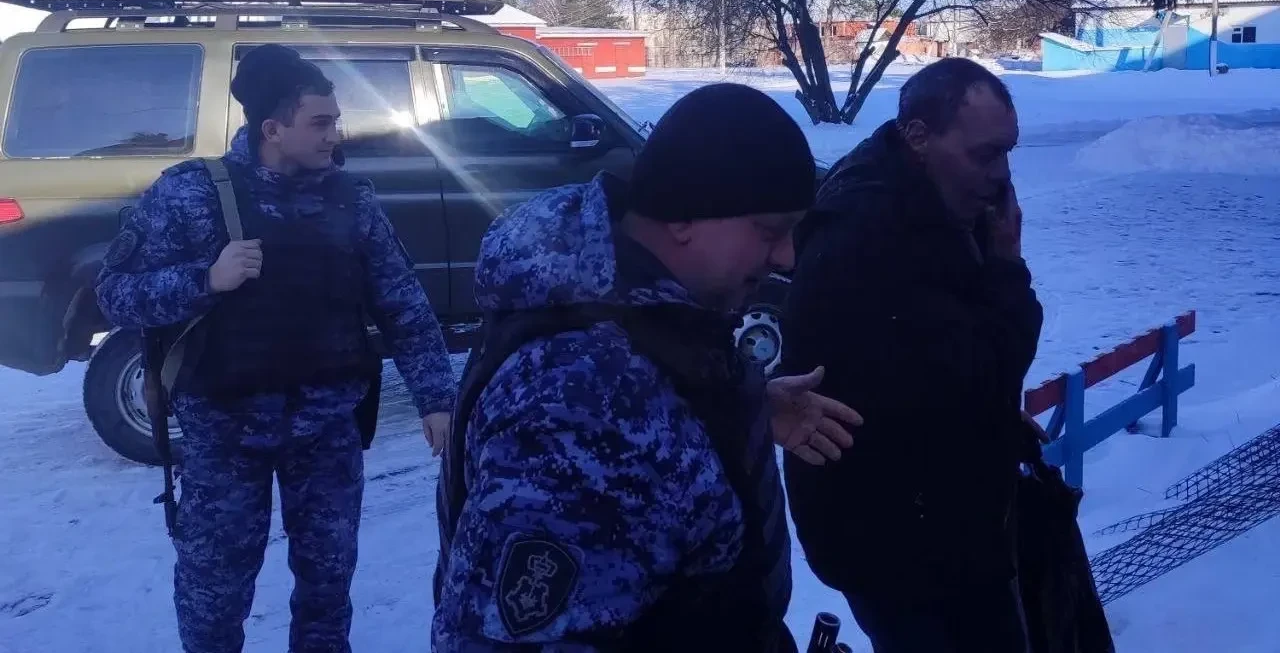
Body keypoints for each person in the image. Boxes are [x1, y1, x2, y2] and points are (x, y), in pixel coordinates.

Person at [431, 83, 863, 652]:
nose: (786, 257)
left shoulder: (636, 316)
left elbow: (650, 431)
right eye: (769, 230)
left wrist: (737, 407)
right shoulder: (578, 408)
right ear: (685, 215)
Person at [95, 44, 456, 653]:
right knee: (214, 595)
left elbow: (402, 302)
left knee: (327, 589)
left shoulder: (352, 199)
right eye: (320, 122)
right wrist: (206, 279)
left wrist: (436, 398)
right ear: (273, 128)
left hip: (327, 429)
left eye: (335, 121)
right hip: (225, 433)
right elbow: (115, 294)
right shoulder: (191, 194)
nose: (335, 135)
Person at [781, 58, 1044, 653]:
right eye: (984, 154)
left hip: (939, 521)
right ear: (919, 137)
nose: (1002, 175)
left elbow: (946, 372)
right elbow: (979, 371)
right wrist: (1006, 269)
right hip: (900, 544)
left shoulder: (931, 200)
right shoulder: (869, 235)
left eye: (1007, 152)